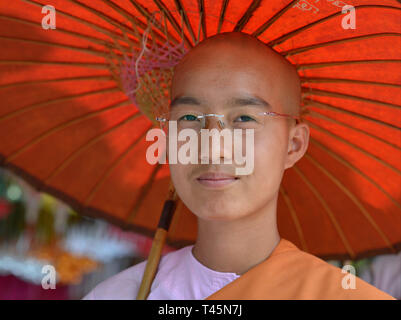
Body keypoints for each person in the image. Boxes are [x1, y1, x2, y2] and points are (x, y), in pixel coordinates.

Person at [82, 32, 395, 300]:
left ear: (294, 144)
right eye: (189, 119)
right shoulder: (120, 294)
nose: (213, 147)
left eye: (244, 118)